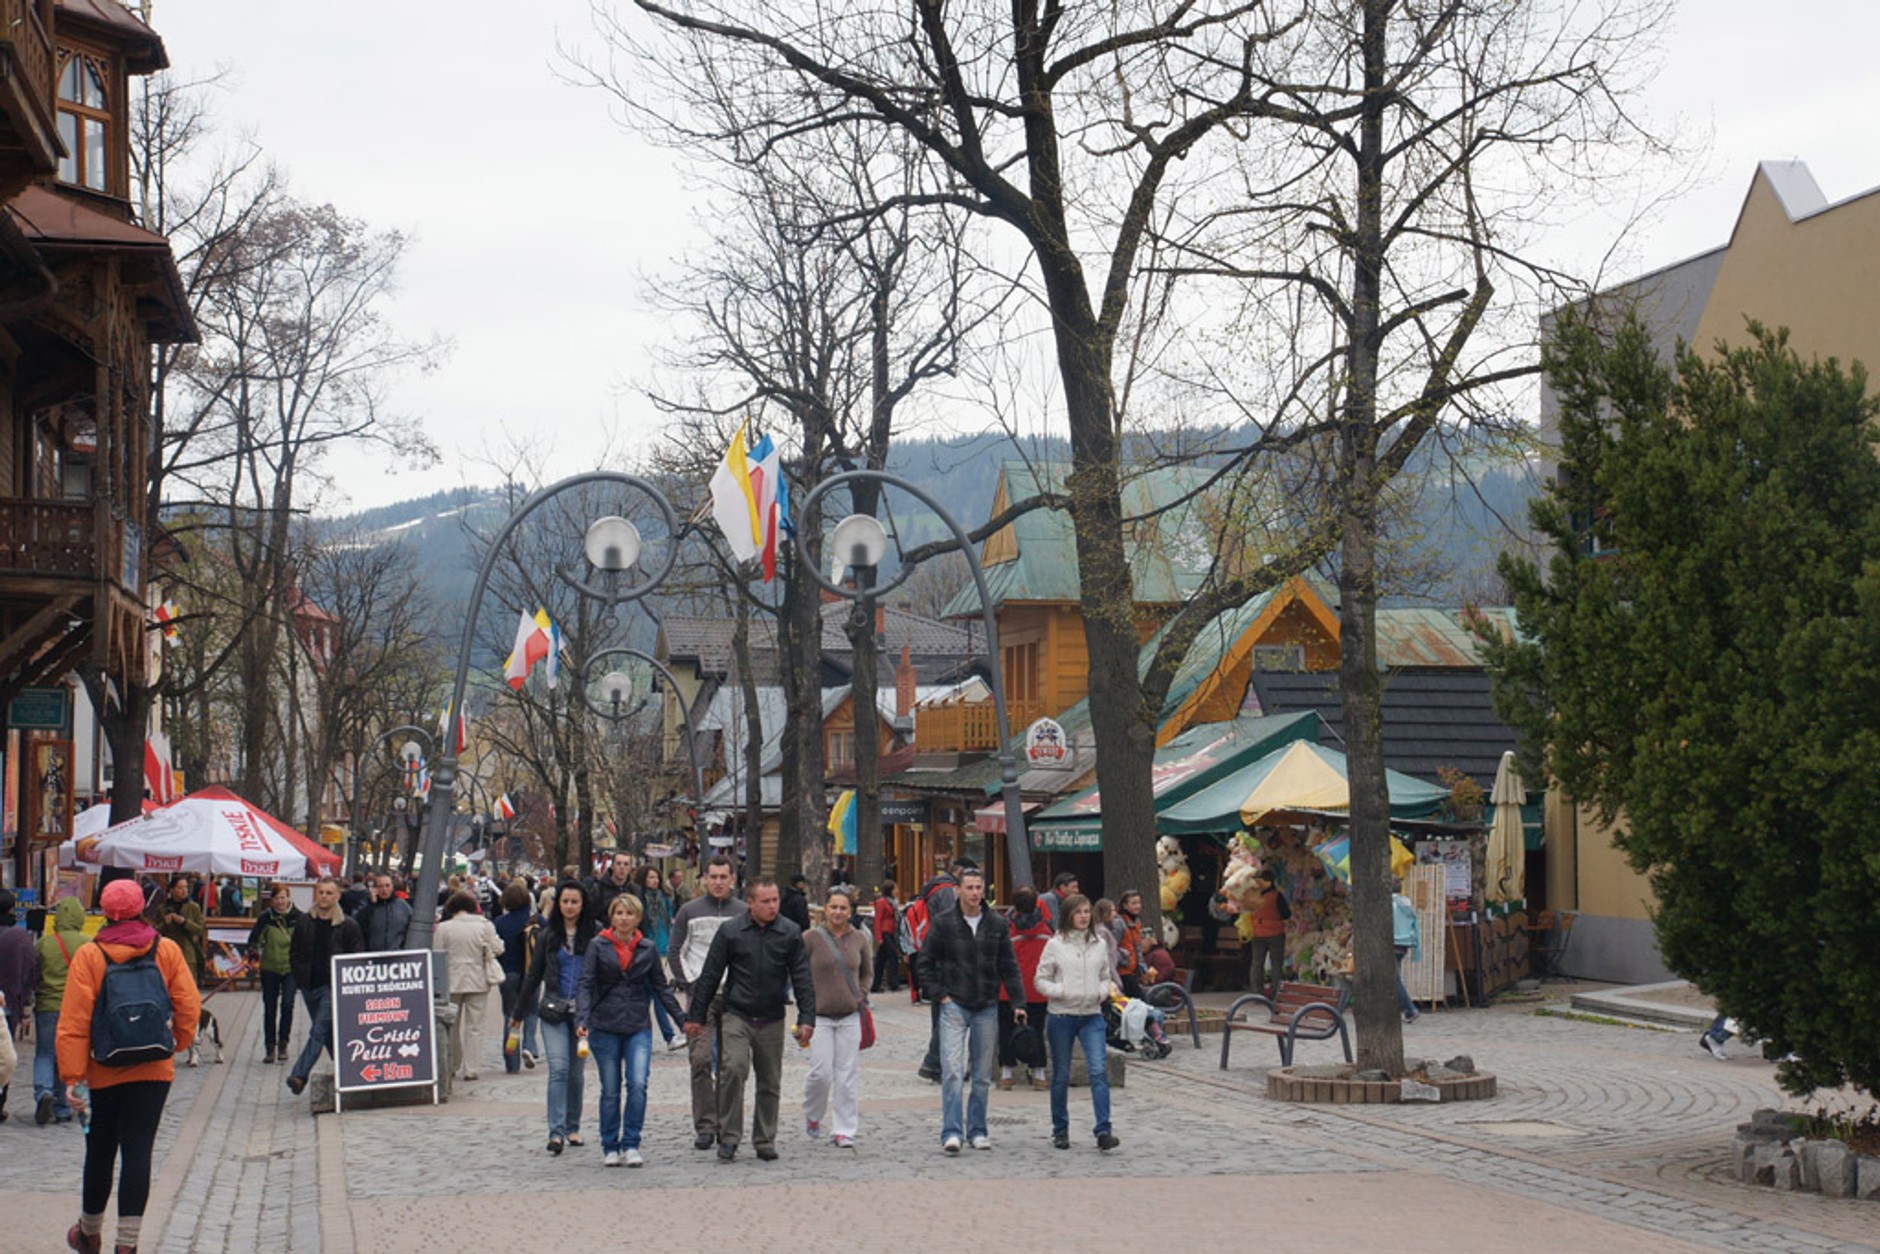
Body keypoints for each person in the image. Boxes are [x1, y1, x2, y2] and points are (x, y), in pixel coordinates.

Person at [57, 877, 200, 1254]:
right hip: (154, 1069)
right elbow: (188, 1005)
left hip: (103, 1070)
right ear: (142, 908)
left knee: (100, 1150)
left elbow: (74, 1021)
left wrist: (73, 1076)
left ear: (106, 911)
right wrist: (177, 1043)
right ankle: (127, 1244)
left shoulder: (90, 955)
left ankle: (89, 1234)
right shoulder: (165, 949)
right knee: (138, 1151)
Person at [682, 877, 815, 1163]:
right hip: (737, 1013)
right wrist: (696, 1016)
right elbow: (710, 975)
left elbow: (802, 977)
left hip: (772, 1015)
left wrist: (807, 1017)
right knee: (733, 1069)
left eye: (775, 900)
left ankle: (765, 1139)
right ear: (750, 903)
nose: (772, 906)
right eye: (765, 901)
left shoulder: (790, 932)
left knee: (769, 1080)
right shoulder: (731, 931)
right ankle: (729, 1136)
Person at [920, 867, 1025, 1154]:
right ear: (958, 890)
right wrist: (940, 995)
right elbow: (924, 963)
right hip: (954, 1004)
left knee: (981, 1075)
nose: (975, 893)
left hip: (986, 1005)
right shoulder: (944, 923)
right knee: (953, 1071)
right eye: (969, 888)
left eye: (979, 888)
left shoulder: (996, 924)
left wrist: (1018, 1002)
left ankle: (978, 1130)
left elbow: (1009, 966)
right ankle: (952, 1131)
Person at [578, 892, 683, 1168]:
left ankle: (631, 1142)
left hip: (637, 1023)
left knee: (638, 1084)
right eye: (619, 913)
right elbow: (586, 983)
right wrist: (582, 1019)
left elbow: (661, 987)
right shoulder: (598, 945)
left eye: (629, 914)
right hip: (605, 1024)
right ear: (612, 917)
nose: (624, 918)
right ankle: (610, 1144)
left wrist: (682, 1020)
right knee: (610, 1089)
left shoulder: (647, 948)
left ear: (638, 918)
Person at [669, 855, 748, 1150]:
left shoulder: (743, 912)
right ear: (704, 879)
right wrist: (690, 982)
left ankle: (728, 1123)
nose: (717, 882)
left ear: (732, 879)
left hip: (734, 997)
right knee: (700, 1059)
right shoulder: (689, 911)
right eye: (712, 877)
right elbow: (676, 950)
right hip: (700, 996)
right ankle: (705, 1124)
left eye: (723, 877)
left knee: (732, 1064)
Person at [1033, 893, 1120, 1152]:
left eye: (1086, 912)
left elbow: (1105, 975)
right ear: (1068, 915)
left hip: (1092, 1014)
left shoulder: (1099, 944)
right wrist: (1061, 990)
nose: (1083, 917)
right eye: (1078, 912)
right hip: (1062, 1015)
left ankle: (1104, 1129)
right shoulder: (1055, 944)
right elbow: (1041, 979)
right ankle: (1060, 1129)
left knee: (1098, 1071)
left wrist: (1101, 992)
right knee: (1061, 1075)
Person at [514, 880, 594, 1153]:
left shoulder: (594, 934)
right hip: (553, 1011)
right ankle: (556, 1132)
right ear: (557, 904)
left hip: (583, 1013)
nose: (569, 907)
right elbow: (533, 975)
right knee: (559, 1069)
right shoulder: (548, 936)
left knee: (576, 1073)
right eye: (565, 901)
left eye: (575, 902)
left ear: (583, 905)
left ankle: (573, 1127)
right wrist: (519, 1012)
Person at [802, 887, 873, 1148]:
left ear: (850, 911)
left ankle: (844, 1129)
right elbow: (798, 971)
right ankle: (813, 1114)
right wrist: (805, 1002)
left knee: (847, 1075)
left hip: (849, 1016)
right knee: (820, 1074)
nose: (838, 912)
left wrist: (861, 994)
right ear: (825, 909)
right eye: (834, 907)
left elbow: (867, 972)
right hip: (819, 1016)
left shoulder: (859, 939)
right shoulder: (810, 938)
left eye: (843, 908)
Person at [285, 876, 365, 1096]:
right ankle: (347, 1070)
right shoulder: (304, 921)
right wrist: (300, 977)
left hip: (332, 987)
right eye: (321, 892)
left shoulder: (347, 925)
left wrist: (345, 982)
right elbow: (295, 952)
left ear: (337, 896)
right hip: (309, 985)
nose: (324, 897)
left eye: (329, 893)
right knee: (326, 1032)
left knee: (318, 1031)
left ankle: (299, 1075)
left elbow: (356, 955)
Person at [434, 891, 503, 1081]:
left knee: (452, 1025)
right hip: (478, 979)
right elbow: (498, 949)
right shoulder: (484, 926)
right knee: (475, 1026)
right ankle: (471, 1068)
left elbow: (437, 953)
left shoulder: (443, 928)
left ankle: (452, 1064)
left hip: (451, 980)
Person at [899, 868, 959, 1084]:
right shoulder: (946, 893)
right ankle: (934, 1063)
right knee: (948, 1015)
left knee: (941, 1015)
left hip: (934, 957)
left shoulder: (932, 891)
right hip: (945, 962)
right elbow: (951, 926)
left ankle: (938, 1063)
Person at [33, 895, 87, 1124]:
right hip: (74, 1009)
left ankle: (43, 1092)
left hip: (47, 1006)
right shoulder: (87, 944)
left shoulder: (44, 943)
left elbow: (34, 974)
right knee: (67, 1056)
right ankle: (63, 1107)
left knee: (45, 1053)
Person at [998, 886, 1053, 1091]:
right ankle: (1039, 1074)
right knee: (1037, 1031)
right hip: (1038, 991)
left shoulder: (1008, 930)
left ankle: (1007, 1074)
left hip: (1009, 991)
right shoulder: (1046, 932)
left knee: (1006, 1031)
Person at [245, 885, 303, 1064]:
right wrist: (253, 950)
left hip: (290, 969)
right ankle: (270, 1047)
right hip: (270, 967)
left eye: (283, 898)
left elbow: (306, 942)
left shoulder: (299, 918)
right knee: (270, 1008)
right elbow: (253, 939)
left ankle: (283, 1043)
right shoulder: (266, 918)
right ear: (272, 900)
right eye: (277, 898)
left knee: (287, 1004)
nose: (280, 902)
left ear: (288, 898)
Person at [494, 881, 542, 1072]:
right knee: (531, 1012)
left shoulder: (500, 923)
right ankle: (529, 1046)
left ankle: (512, 1060)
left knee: (511, 1015)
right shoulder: (537, 921)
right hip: (532, 974)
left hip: (508, 974)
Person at [633, 865, 681, 1049]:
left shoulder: (665, 898)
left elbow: (668, 922)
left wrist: (670, 944)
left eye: (656, 877)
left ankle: (653, 1036)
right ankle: (666, 1036)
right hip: (644, 948)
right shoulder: (639, 899)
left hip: (662, 948)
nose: (654, 881)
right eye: (650, 877)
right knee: (655, 993)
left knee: (655, 992)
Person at [0, 888, 36, 1122]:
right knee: (4, 1055)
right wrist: (26, 1009)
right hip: (9, 1005)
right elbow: (31, 972)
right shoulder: (19, 938)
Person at [1244, 869, 1291, 997]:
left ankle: (1257, 992)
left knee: (1257, 963)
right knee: (1276, 963)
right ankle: (1276, 992)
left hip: (1257, 932)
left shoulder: (1253, 896)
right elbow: (1286, 914)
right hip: (1275, 932)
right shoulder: (1276, 896)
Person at [152, 877, 206, 986]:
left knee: (187, 986)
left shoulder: (193, 907)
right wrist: (165, 923)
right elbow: (155, 931)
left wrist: (184, 922)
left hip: (188, 953)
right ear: (172, 890)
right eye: (180, 888)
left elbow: (200, 929)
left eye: (186, 887)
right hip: (168, 953)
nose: (184, 890)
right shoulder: (163, 908)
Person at [357, 872, 413, 951]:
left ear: (392, 887)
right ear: (375, 889)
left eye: (387, 886)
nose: (384, 890)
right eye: (380, 886)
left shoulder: (403, 906)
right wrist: (371, 905)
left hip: (396, 953)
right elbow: (358, 923)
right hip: (372, 953)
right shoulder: (366, 904)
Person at [1392, 886, 1421, 1025]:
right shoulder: (1406, 903)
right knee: (1394, 977)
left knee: (1394, 979)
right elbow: (1415, 924)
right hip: (1404, 944)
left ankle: (1410, 1009)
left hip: (1391, 942)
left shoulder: (1389, 905)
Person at [869, 879, 903, 993]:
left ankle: (875, 984)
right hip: (885, 932)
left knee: (881, 960)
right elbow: (878, 920)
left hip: (891, 932)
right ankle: (894, 983)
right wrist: (878, 937)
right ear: (890, 890)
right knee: (892, 956)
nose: (897, 891)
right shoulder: (882, 902)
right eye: (895, 889)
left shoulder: (892, 902)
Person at [586, 853, 636, 927]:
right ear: (612, 866)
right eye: (618, 864)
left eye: (626, 864)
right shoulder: (598, 889)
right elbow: (590, 915)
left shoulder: (635, 889)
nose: (622, 867)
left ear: (630, 868)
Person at [1113, 890, 1148, 998]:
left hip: (1133, 971)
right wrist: (1123, 958)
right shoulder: (1119, 923)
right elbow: (1112, 947)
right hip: (1122, 971)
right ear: (1125, 905)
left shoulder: (1137, 922)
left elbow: (1137, 948)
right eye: (1133, 903)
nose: (1138, 906)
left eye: (1139, 903)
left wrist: (1143, 967)